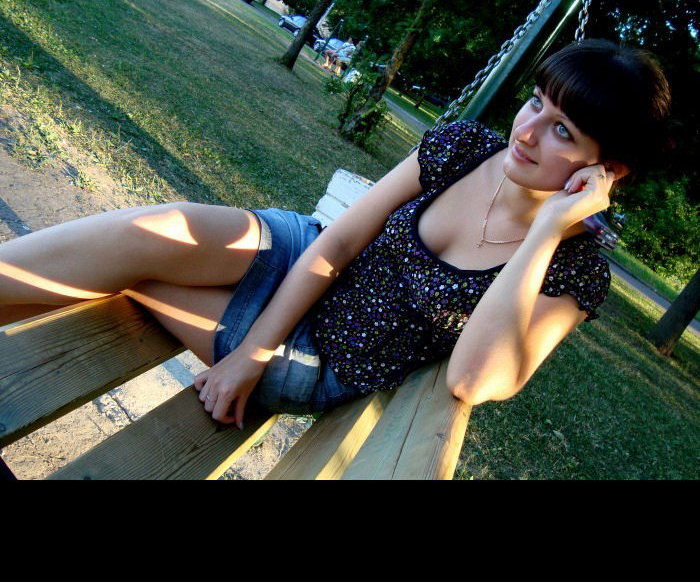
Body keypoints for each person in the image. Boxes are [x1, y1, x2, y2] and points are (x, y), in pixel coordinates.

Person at [0, 40, 671, 429]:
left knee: (126, 272)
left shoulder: (574, 271)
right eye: (535, 103)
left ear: (607, 170)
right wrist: (251, 351)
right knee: (149, 230)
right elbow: (341, 241)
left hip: (324, 354)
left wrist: (548, 230)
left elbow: (473, 380)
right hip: (302, 257)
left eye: (562, 131)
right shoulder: (466, 147)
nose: (525, 133)